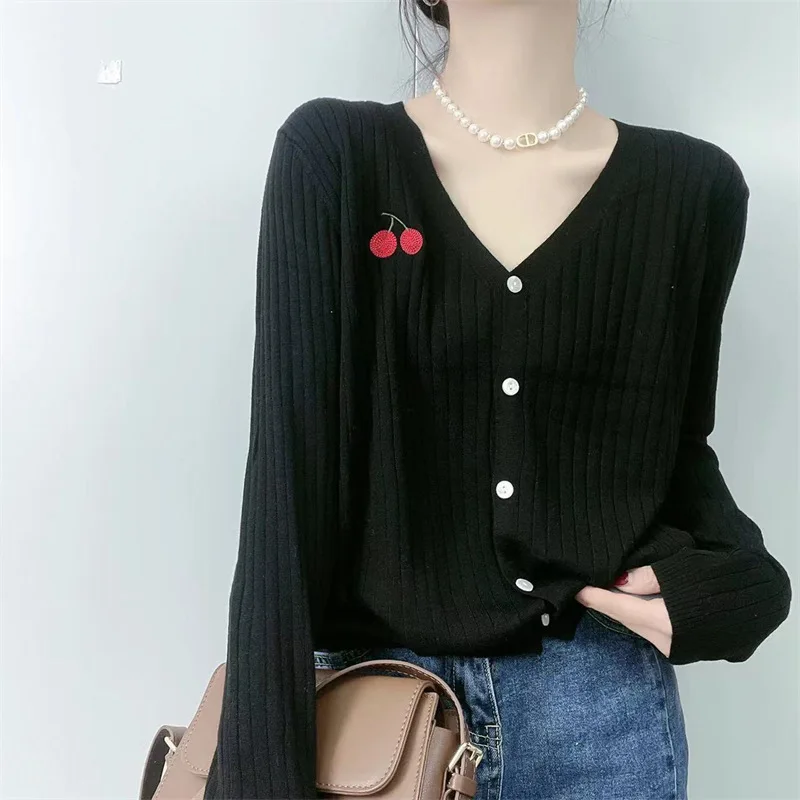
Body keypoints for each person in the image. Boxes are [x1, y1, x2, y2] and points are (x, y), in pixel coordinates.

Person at [204, 1, 792, 798]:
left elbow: (677, 454)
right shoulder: (336, 156)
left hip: (602, 717)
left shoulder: (694, 190)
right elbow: (284, 494)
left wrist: (740, 590)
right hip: (374, 728)